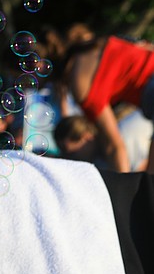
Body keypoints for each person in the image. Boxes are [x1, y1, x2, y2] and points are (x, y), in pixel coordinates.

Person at [50, 23, 154, 172]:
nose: (70, 156)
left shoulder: (82, 87)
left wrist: (124, 191)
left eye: (70, 151)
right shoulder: (101, 44)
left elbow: (116, 148)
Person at [54, 107, 152, 172]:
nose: (68, 159)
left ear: (86, 137)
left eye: (70, 153)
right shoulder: (100, 164)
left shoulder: (128, 130)